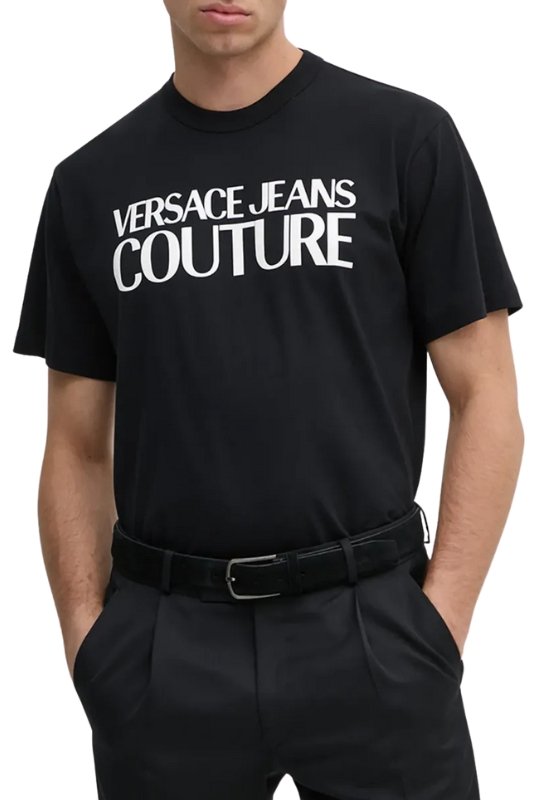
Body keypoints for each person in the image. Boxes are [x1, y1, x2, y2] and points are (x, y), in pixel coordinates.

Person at [12, 1, 524, 798]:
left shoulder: (403, 137)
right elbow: (75, 445)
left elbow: (485, 392)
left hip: (371, 631)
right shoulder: (90, 183)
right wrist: (91, 644)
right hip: (166, 652)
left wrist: (438, 623)